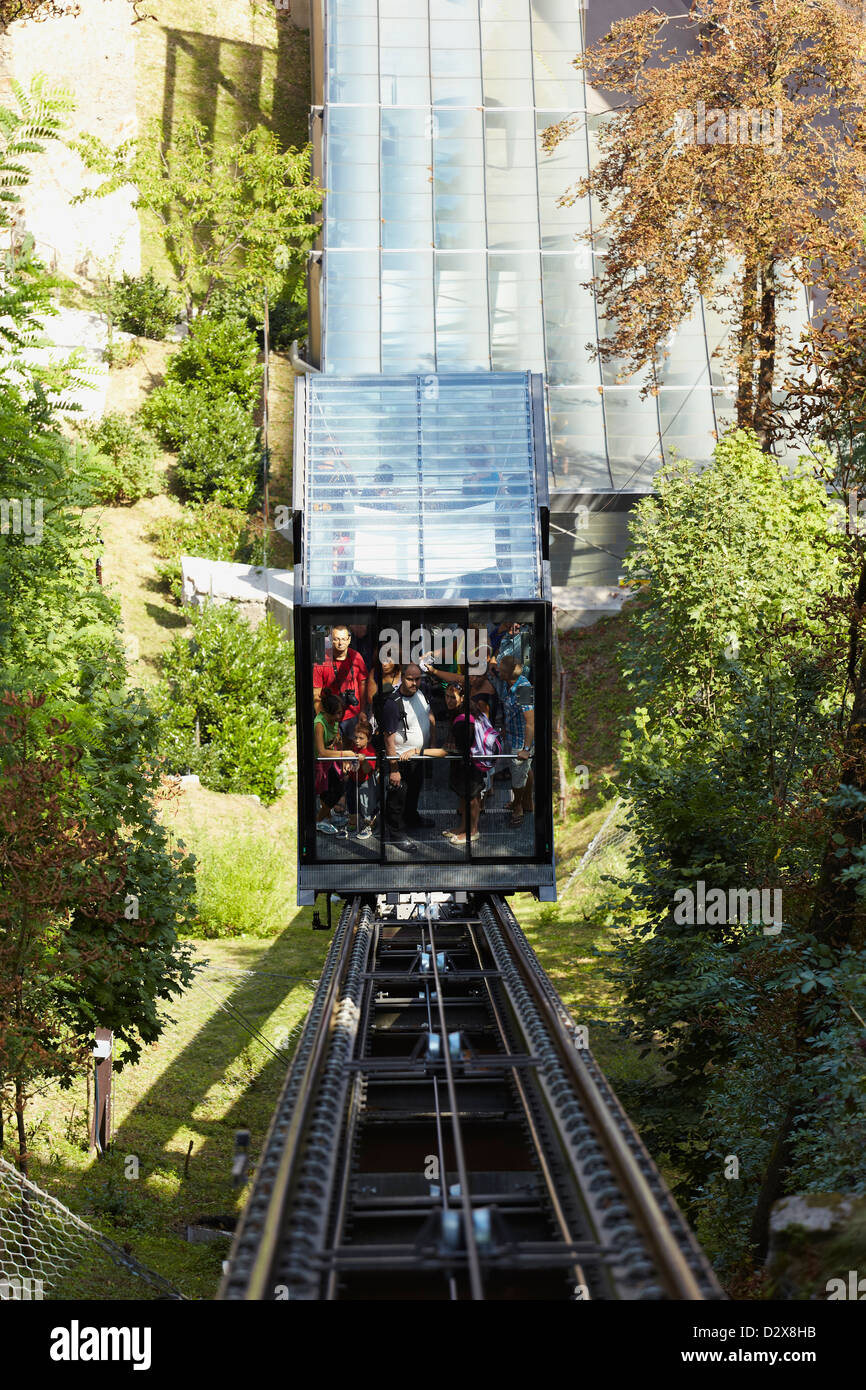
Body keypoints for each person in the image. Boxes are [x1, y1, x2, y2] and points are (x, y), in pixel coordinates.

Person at [381, 663, 436, 845]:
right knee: (397, 798)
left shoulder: (422, 693)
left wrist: (432, 744)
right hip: (401, 759)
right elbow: (388, 739)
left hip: (418, 757)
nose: (414, 683)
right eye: (410, 679)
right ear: (402, 678)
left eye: (417, 679)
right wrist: (394, 768)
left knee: (414, 792)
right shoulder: (392, 704)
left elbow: (429, 716)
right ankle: (396, 835)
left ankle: (412, 818)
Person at [489, 654, 534, 828]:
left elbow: (530, 722)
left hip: (521, 740)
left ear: (507, 673)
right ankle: (527, 802)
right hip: (512, 733)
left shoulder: (523, 688)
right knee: (526, 770)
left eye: (501, 669)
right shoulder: (508, 684)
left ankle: (518, 807)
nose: (498, 670)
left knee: (518, 776)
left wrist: (526, 748)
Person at [314, 624, 367, 731]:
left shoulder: (356, 657)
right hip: (330, 716)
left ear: (349, 640)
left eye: (343, 639)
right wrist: (324, 721)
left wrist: (363, 711)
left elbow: (363, 685)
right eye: (336, 639)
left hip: (353, 715)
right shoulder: (321, 661)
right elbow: (316, 694)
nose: (340, 643)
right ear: (330, 640)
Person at [313, 689, 347, 835]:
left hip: (330, 761)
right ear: (328, 712)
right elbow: (321, 751)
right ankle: (319, 820)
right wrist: (344, 754)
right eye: (338, 713)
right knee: (329, 792)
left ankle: (326, 817)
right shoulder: (319, 724)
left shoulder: (334, 721)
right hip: (319, 762)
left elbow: (337, 741)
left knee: (336, 789)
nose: (340, 716)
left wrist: (343, 759)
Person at [343, 715, 378, 840]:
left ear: (368, 739)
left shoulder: (370, 751)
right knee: (351, 800)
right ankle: (352, 823)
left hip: (365, 781)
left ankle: (369, 824)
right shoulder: (354, 747)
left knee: (366, 804)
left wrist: (364, 761)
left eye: (361, 738)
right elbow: (350, 760)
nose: (357, 741)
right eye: (355, 737)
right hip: (353, 779)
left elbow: (368, 770)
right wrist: (346, 765)